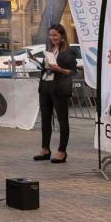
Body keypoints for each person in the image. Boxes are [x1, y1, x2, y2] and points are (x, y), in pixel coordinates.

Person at [33, 24, 78, 164]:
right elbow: (45, 67)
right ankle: (45, 149)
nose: (52, 38)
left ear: (62, 36)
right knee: (45, 120)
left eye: (55, 35)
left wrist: (59, 69)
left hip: (59, 89)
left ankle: (62, 151)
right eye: (51, 35)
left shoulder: (68, 52)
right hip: (46, 87)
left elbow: (72, 72)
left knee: (62, 120)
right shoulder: (49, 50)